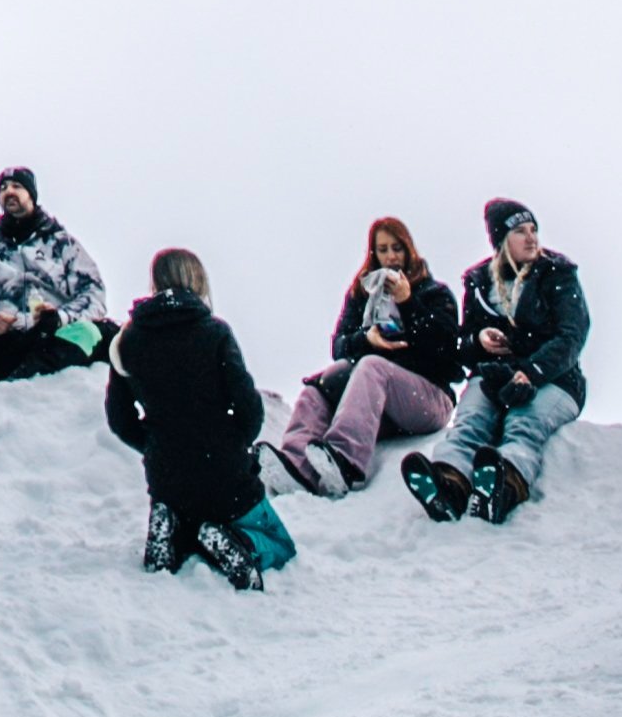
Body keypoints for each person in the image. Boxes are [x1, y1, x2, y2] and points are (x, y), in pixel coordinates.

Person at [105, 248, 295, 591]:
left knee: (188, 520)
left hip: (167, 476)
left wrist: (153, 444)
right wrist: (233, 442)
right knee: (280, 544)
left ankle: (173, 532)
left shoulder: (127, 340)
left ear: (155, 284)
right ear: (197, 282)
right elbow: (250, 409)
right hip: (224, 473)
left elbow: (119, 418)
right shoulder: (214, 332)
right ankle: (238, 542)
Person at [401, 199, 589, 525]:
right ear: (501, 240)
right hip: (494, 375)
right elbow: (463, 347)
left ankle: (503, 487)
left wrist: (530, 372)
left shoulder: (557, 274)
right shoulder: (479, 282)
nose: (531, 238)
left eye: (533, 230)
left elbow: (571, 336)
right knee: (469, 423)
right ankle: (447, 486)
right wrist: (480, 340)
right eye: (520, 231)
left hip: (554, 379)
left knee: (524, 424)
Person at [260, 216, 458, 498]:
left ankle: (346, 461)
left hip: (429, 398)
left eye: (397, 248)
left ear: (409, 250)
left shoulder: (434, 293)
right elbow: (339, 345)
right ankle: (297, 466)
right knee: (316, 389)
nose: (391, 257)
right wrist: (366, 339)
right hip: (381, 406)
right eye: (383, 249)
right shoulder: (362, 294)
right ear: (374, 254)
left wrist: (408, 303)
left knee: (372, 367)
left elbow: (445, 349)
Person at [0, 167, 113, 390]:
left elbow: (94, 295)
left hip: (51, 339)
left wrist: (59, 317)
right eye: (3, 188)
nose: (9, 192)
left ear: (31, 194)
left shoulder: (62, 243)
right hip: (5, 343)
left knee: (88, 333)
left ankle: (18, 388)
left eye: (17, 186)